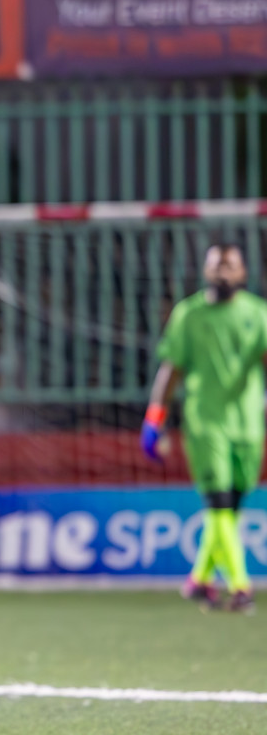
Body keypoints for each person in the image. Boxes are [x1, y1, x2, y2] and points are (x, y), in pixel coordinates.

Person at [144, 241, 265, 613]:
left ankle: (199, 580)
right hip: (206, 422)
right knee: (218, 504)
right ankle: (241, 586)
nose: (222, 272)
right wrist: (154, 419)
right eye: (216, 265)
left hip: (247, 423)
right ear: (205, 270)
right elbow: (171, 369)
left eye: (229, 266)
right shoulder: (189, 314)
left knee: (232, 507)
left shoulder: (258, 313)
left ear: (243, 273)